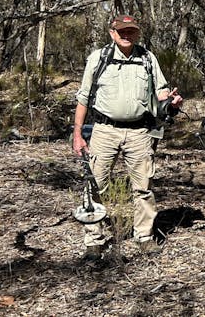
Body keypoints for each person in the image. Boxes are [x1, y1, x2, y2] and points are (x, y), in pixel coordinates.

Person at [72, 14, 183, 260]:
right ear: (111, 32)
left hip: (140, 132)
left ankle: (144, 236)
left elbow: (161, 93)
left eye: (130, 31)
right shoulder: (98, 59)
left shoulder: (147, 58)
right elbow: (83, 97)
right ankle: (94, 239)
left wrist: (171, 103)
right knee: (95, 183)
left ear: (137, 34)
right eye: (120, 31)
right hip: (103, 130)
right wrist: (78, 133)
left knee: (143, 186)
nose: (125, 35)